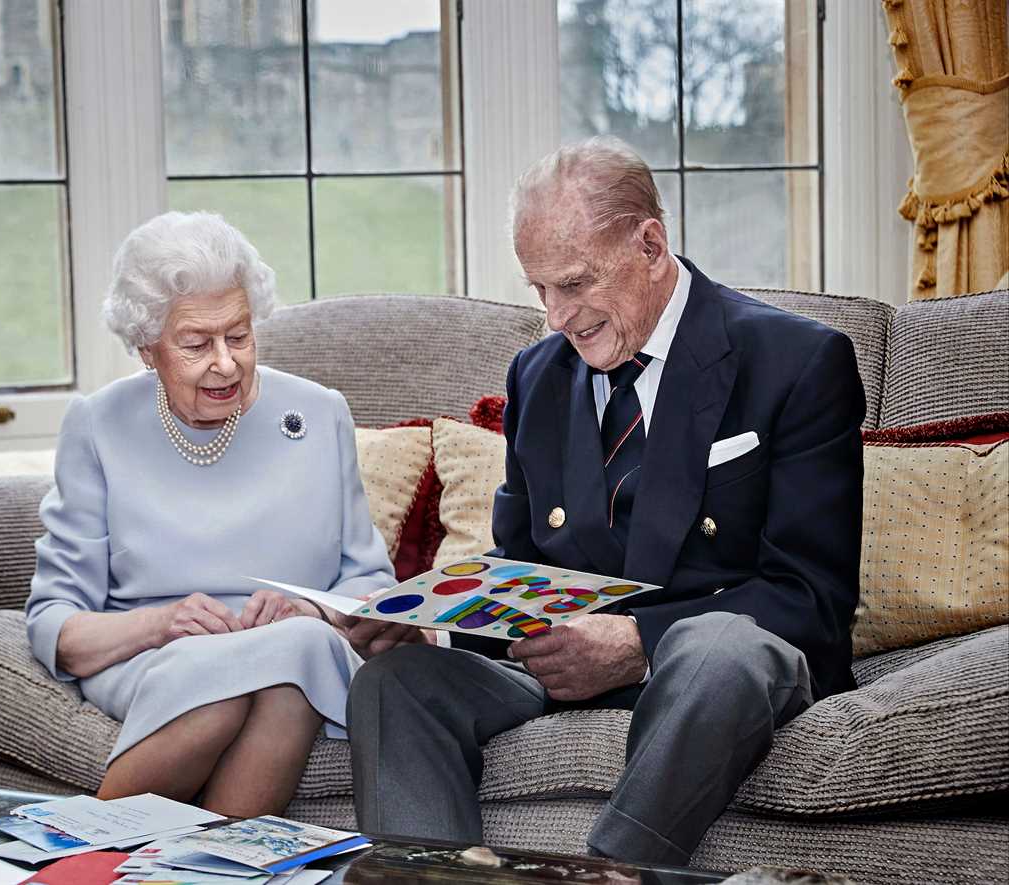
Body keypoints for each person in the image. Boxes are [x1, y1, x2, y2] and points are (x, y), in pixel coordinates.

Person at [344, 137, 865, 864]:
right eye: (540, 290)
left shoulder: (796, 362)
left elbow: (812, 598)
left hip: (710, 677)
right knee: (394, 682)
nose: (557, 316)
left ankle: (607, 876)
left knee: (719, 647)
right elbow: (520, 565)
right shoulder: (538, 374)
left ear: (650, 244)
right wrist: (435, 626)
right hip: (561, 673)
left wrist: (636, 644)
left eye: (576, 283)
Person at [26, 211, 396, 815]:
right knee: (244, 685)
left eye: (240, 336)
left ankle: (82, 861)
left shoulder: (319, 412)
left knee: (291, 659)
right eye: (196, 344)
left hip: (293, 645)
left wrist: (308, 607)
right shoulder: (99, 425)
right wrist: (161, 624)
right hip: (151, 653)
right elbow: (56, 624)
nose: (226, 363)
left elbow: (371, 584)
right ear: (148, 350)